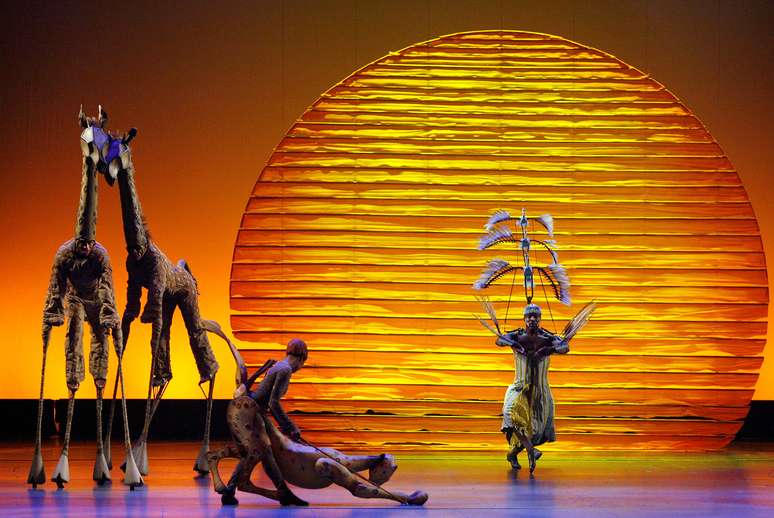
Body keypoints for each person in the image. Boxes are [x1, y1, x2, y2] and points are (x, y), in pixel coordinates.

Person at [220, 338, 310, 506]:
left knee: (264, 454)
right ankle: (282, 493)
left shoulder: (279, 366)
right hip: (250, 412)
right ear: (301, 358)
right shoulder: (285, 370)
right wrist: (290, 427)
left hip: (251, 410)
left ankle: (281, 493)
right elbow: (273, 403)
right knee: (260, 453)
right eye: (303, 364)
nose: (300, 368)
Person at [496, 303, 568, 473]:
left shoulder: (547, 337)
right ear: (524, 319)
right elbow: (498, 340)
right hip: (520, 387)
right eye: (529, 316)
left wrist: (548, 350)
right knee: (509, 413)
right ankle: (530, 450)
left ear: (540, 319)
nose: (532, 319)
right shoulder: (517, 335)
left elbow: (565, 347)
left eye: (536, 316)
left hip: (540, 391)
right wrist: (512, 344)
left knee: (533, 431)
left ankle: (513, 454)